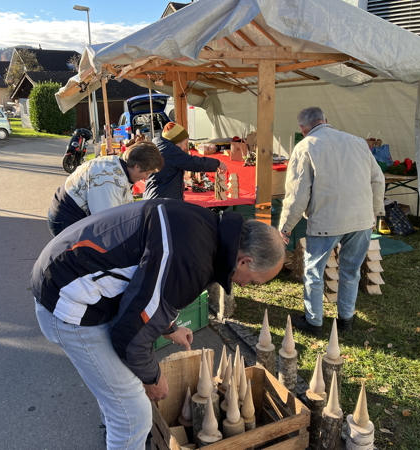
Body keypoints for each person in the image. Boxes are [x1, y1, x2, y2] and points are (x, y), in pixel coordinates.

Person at [31, 199, 285, 449]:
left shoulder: (204, 226)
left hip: (66, 276)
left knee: (120, 397)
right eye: (253, 281)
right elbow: (129, 335)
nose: (243, 286)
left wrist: (170, 328)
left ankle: (115, 426)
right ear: (245, 261)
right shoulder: (192, 263)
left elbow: (148, 284)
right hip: (68, 301)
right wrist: (153, 379)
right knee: (134, 416)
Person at [278, 107, 385, 336]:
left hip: (326, 221)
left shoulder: (305, 146)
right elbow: (378, 179)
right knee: (351, 271)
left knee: (314, 272)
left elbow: (297, 195)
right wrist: (375, 212)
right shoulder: (358, 142)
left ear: (302, 128)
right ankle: (346, 319)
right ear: (326, 120)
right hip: (361, 219)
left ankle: (314, 321)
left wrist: (285, 228)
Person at [47, 141, 164, 236]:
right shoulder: (108, 183)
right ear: (136, 166)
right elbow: (105, 225)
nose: (146, 178)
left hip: (72, 211)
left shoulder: (117, 164)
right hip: (66, 219)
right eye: (147, 173)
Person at [144, 122, 227, 200]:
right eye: (185, 143)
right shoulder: (172, 151)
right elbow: (195, 163)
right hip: (163, 200)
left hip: (152, 196)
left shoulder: (157, 147)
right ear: (176, 142)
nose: (185, 148)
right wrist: (217, 163)